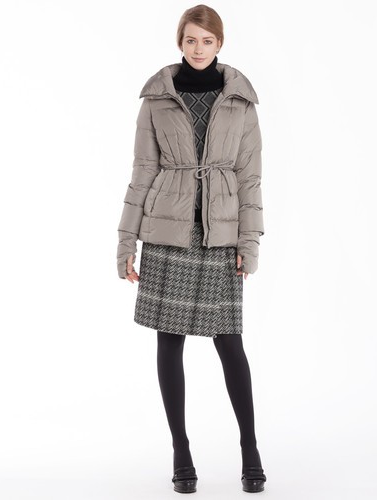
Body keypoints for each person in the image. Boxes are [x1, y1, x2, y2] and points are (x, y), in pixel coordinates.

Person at [116, 4, 266, 494]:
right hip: (167, 231)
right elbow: (142, 172)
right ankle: (181, 451)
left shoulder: (240, 100)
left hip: (220, 234)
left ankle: (250, 448)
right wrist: (125, 241)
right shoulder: (157, 99)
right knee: (169, 341)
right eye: (190, 40)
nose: (198, 49)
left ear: (220, 43)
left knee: (230, 343)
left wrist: (249, 242)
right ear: (179, 42)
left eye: (207, 40)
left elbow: (250, 178)